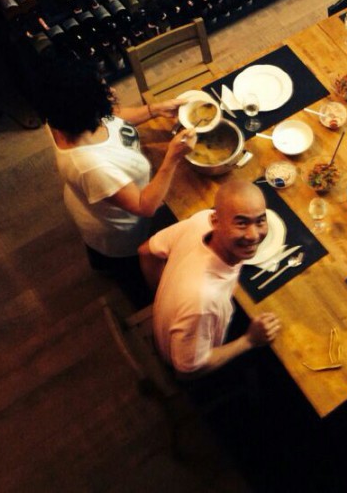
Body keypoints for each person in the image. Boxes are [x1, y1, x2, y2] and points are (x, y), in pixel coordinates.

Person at [31, 56, 195, 304]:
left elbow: (113, 118)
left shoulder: (63, 117)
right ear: (86, 108)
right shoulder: (91, 166)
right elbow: (144, 206)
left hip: (93, 201)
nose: (113, 90)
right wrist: (173, 157)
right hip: (119, 231)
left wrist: (154, 110)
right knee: (132, 275)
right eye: (103, 90)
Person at [139, 180, 281, 377]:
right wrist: (249, 340)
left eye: (260, 221)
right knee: (272, 363)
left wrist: (166, 296)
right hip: (185, 361)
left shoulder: (201, 220)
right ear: (216, 222)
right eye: (241, 223)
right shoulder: (203, 302)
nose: (253, 235)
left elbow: (146, 251)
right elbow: (187, 370)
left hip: (181, 325)